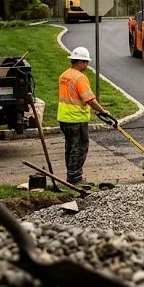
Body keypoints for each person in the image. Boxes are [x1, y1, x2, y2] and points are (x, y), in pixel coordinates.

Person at [57, 47, 114, 187]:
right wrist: (103, 111)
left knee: (70, 147)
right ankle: (75, 179)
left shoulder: (64, 75)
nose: (87, 66)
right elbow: (89, 99)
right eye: (86, 62)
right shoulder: (80, 77)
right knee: (80, 148)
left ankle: (71, 176)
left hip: (64, 118)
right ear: (81, 62)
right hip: (76, 119)